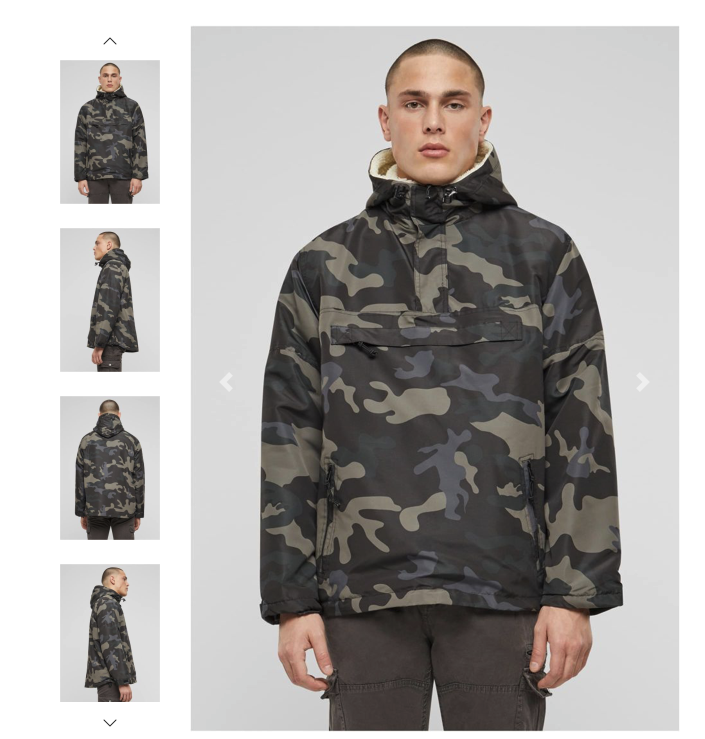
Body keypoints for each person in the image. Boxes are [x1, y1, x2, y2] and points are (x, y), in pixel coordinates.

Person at [259, 39, 623, 731]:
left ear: (482, 120)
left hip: (506, 594)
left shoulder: (544, 254)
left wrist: (574, 595)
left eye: (453, 104)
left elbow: (581, 428)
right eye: (413, 103)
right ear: (385, 118)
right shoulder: (322, 263)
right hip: (358, 596)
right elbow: (289, 437)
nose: (432, 121)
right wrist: (291, 601)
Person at [73, 62, 148, 204]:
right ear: (99, 79)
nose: (109, 79)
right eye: (105, 75)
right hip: (94, 176)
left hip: (124, 176)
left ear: (119, 79)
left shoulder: (132, 107)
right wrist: (80, 177)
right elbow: (80, 144)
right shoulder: (87, 108)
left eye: (113, 76)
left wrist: (138, 176)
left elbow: (140, 142)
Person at [75, 399, 145, 539]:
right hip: (125, 511)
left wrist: (82, 511)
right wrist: (138, 513)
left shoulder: (86, 441)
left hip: (95, 509)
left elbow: (80, 478)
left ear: (99, 415)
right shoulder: (132, 441)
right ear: (119, 415)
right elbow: (139, 479)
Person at [87, 231, 139, 372]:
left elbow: (109, 307)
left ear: (109, 245)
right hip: (112, 342)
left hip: (110, 343)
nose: (94, 247)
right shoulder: (116, 266)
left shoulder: (112, 267)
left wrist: (100, 345)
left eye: (97, 243)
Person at [85, 567, 137, 702]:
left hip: (110, 680)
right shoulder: (108, 603)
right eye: (124, 579)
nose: (127, 583)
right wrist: (122, 682)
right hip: (111, 682)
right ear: (112, 579)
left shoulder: (106, 602)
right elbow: (112, 644)